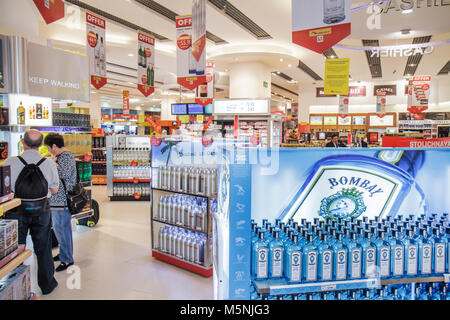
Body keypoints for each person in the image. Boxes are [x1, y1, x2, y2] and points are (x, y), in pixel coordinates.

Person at [4, 129, 59, 295]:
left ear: (23, 142)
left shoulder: (9, 161)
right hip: (42, 209)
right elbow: (55, 190)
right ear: (42, 144)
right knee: (43, 247)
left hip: (16, 210)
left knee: (16, 249)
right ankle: (47, 284)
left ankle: (14, 286)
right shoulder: (49, 163)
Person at [44, 133, 77, 272]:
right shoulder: (60, 157)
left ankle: (67, 259)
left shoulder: (66, 156)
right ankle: (64, 254)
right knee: (61, 230)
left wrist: (52, 164)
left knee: (62, 230)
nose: (48, 150)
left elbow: (63, 174)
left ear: (54, 146)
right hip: (58, 200)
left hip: (62, 201)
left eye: (48, 147)